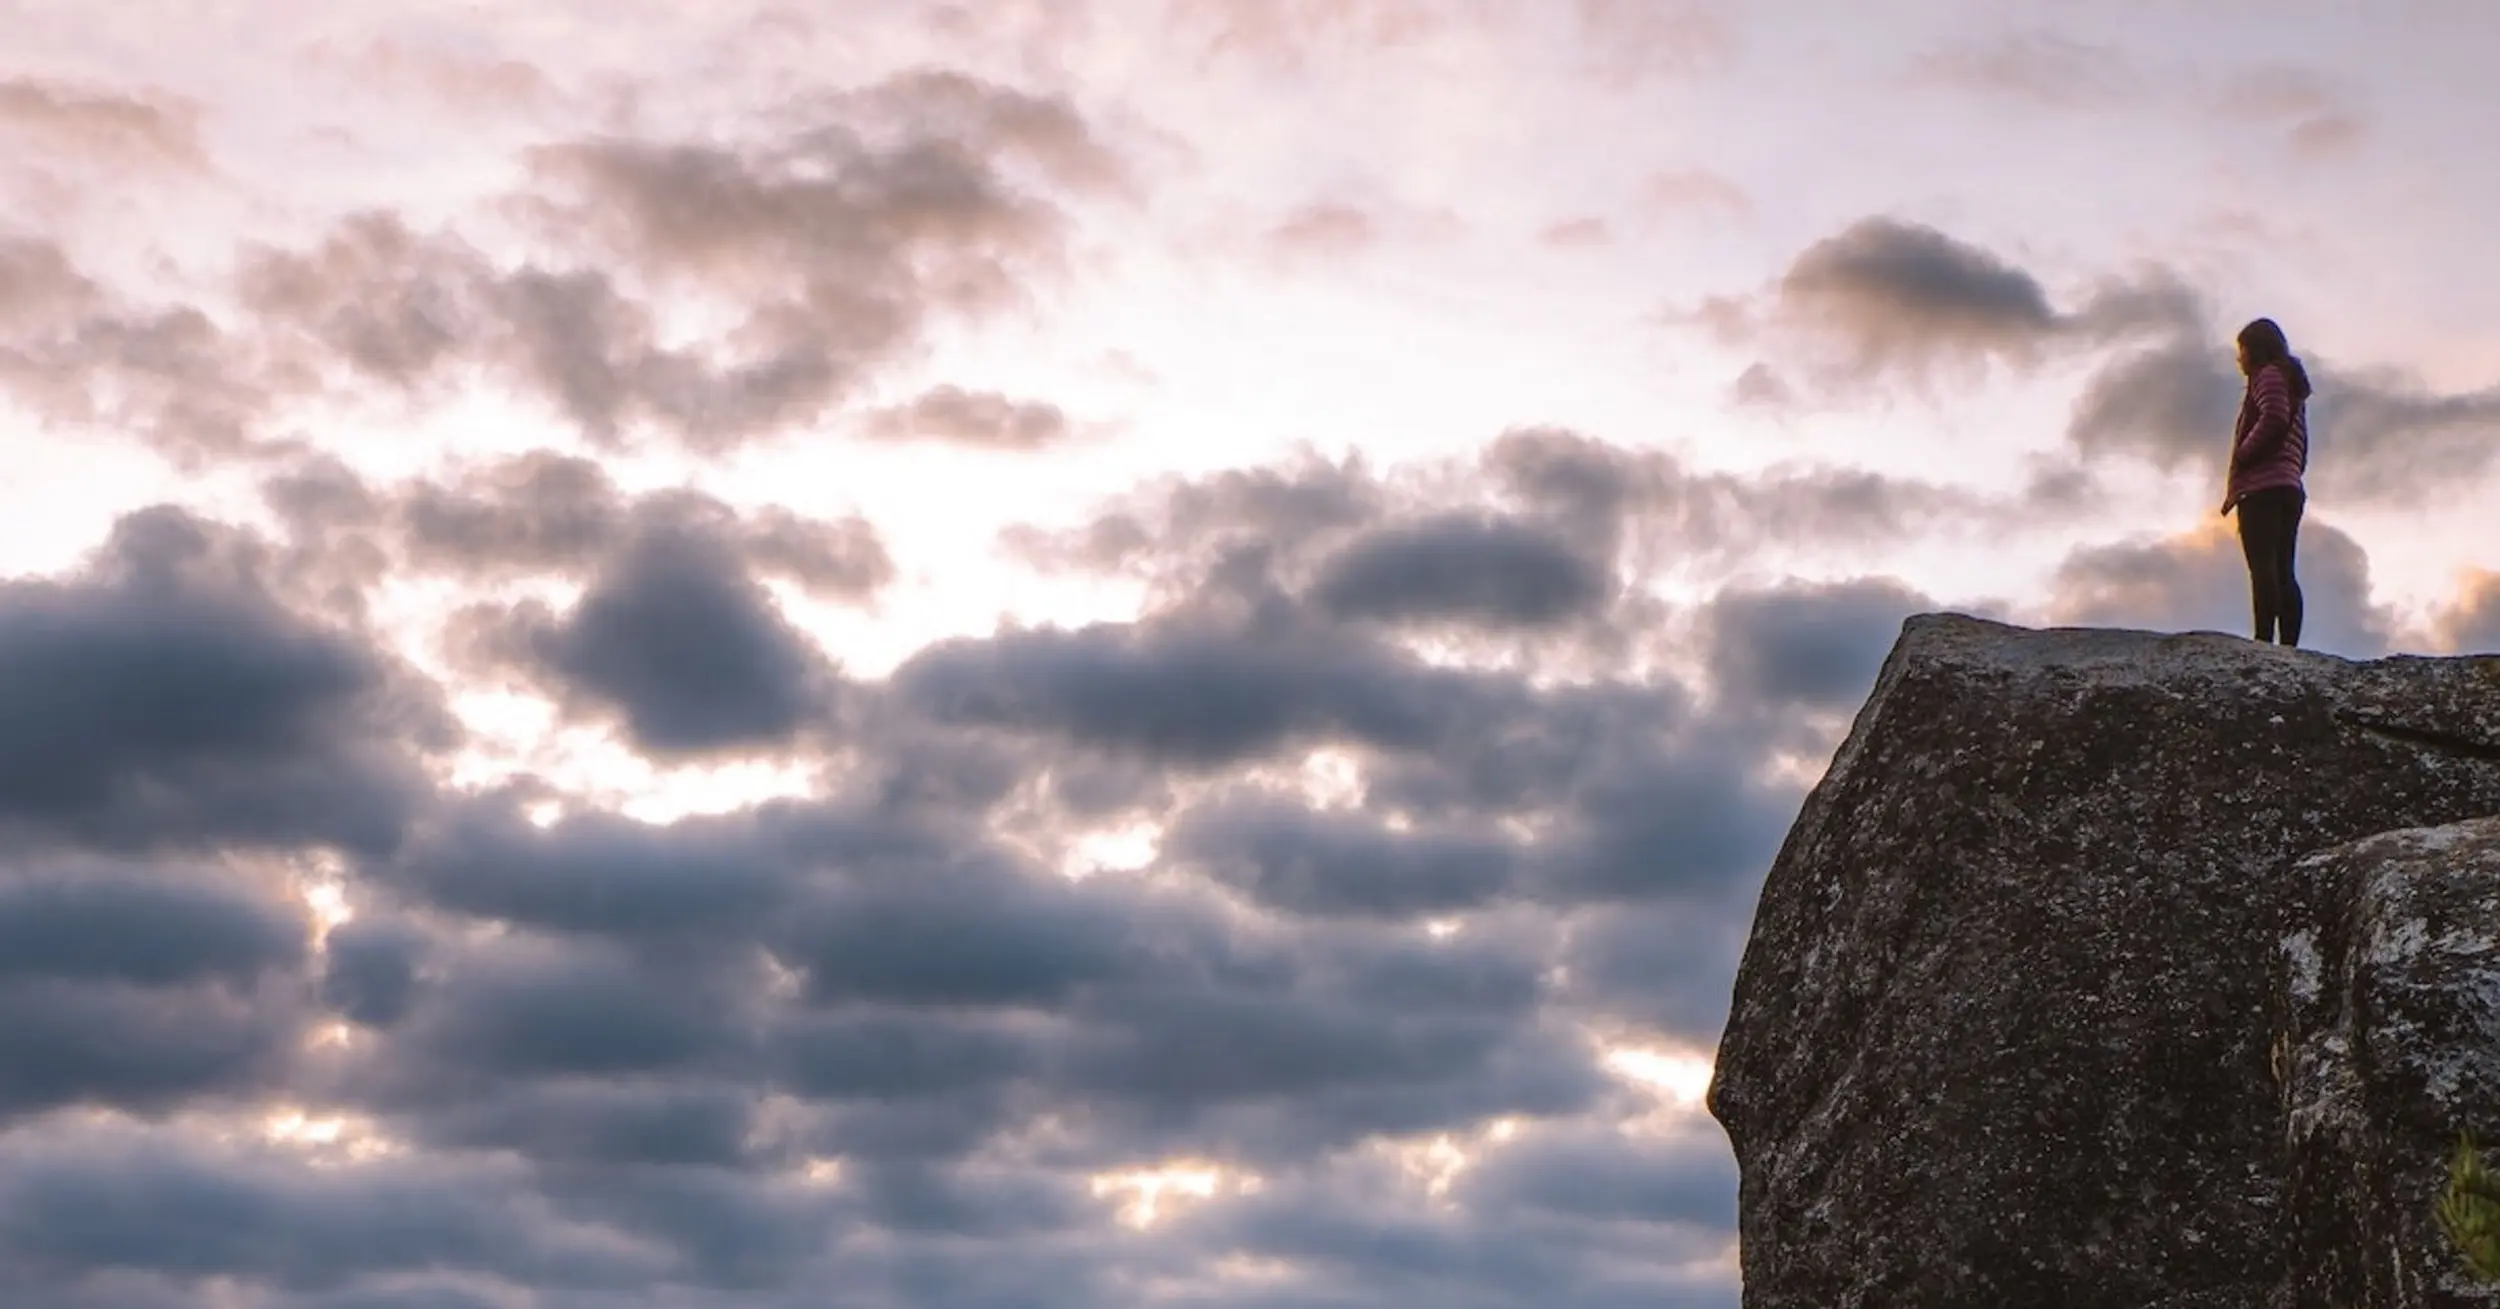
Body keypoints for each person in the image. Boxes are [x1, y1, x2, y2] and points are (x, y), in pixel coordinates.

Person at [2219, 317, 2312, 646]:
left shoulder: (2269, 376)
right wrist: (2292, 470)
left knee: (2263, 568)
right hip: (2288, 486)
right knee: (2284, 568)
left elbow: (2273, 416)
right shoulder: (2291, 383)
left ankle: (2263, 643)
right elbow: (2301, 444)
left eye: (2242, 350)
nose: (2239, 358)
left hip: (2262, 486)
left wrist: (2245, 453)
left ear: (2255, 349)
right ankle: (2288, 645)